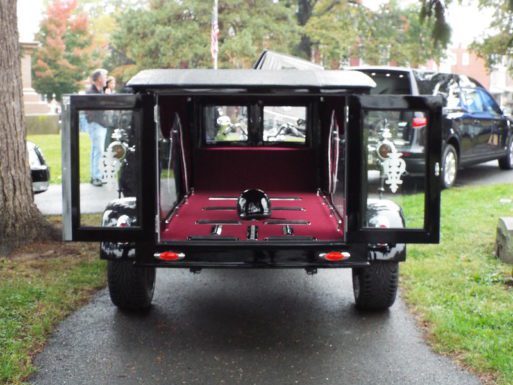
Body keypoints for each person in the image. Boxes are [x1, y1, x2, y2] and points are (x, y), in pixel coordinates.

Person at [86, 69, 108, 186]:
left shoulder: (99, 92)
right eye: (105, 76)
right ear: (99, 79)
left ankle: (95, 176)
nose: (106, 79)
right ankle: (96, 177)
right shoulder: (91, 92)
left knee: (96, 150)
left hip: (100, 124)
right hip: (96, 124)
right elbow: (92, 111)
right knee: (98, 150)